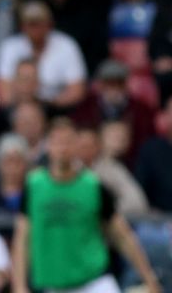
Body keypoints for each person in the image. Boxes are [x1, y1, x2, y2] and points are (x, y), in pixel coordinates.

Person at [11, 118, 160, 293]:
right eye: (57, 142)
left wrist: (149, 279)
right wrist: (19, 285)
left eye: (67, 142)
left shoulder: (93, 186)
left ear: (76, 146)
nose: (62, 148)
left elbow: (123, 236)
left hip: (95, 283)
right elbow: (22, 238)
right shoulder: (33, 186)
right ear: (48, 146)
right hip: (52, 286)